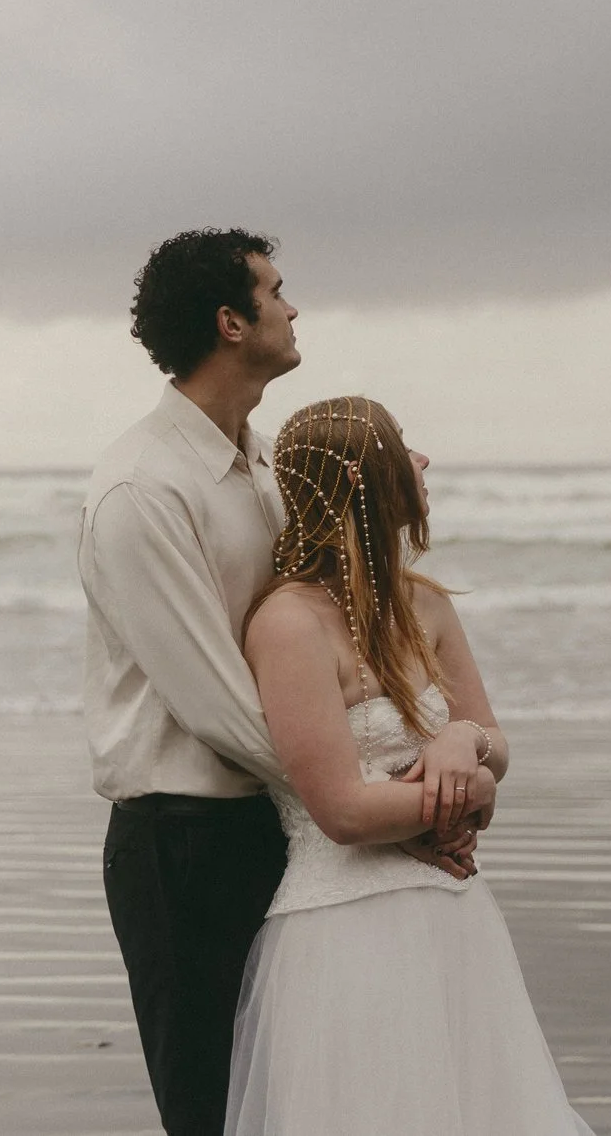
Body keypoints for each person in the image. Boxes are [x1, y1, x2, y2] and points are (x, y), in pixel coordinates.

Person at [81, 231, 473, 1136]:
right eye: (276, 291)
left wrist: (408, 775)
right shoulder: (143, 489)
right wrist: (380, 807)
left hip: (282, 824)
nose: (293, 309)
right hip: (185, 843)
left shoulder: (266, 462)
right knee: (215, 1111)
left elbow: (343, 599)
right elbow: (217, 702)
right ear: (231, 322)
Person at [227, 395, 593, 1136]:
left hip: (455, 918)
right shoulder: (288, 622)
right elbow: (344, 811)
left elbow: (492, 735)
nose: (422, 460)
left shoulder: (424, 605)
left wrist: (466, 750)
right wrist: (469, 794)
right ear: (363, 478)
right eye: (404, 445)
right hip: (346, 931)